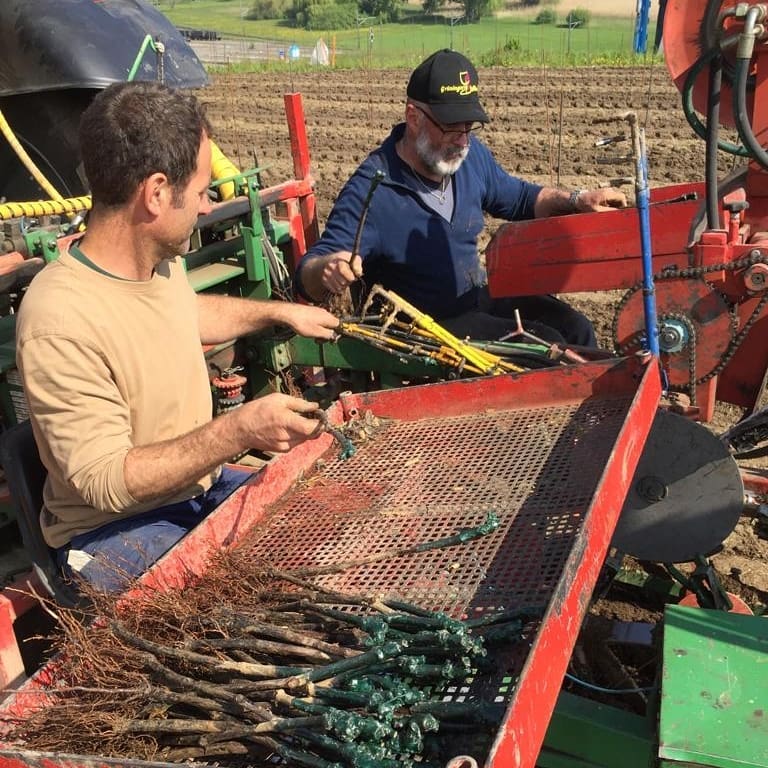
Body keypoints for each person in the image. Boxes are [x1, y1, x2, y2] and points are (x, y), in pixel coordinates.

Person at [15, 81, 340, 594]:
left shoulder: (156, 266)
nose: (208, 206)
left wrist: (280, 312)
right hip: (111, 532)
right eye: (202, 191)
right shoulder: (61, 317)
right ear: (157, 193)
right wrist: (239, 431)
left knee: (319, 523)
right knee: (256, 603)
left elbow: (185, 314)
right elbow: (105, 481)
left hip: (193, 490)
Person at [296, 49, 627, 347]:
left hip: (475, 300)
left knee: (575, 328)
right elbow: (311, 271)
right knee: (547, 345)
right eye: (452, 128)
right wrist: (328, 269)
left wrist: (577, 199)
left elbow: (521, 198)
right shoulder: (374, 188)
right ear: (413, 117)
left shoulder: (470, 158)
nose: (462, 140)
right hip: (425, 332)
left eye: (469, 127)